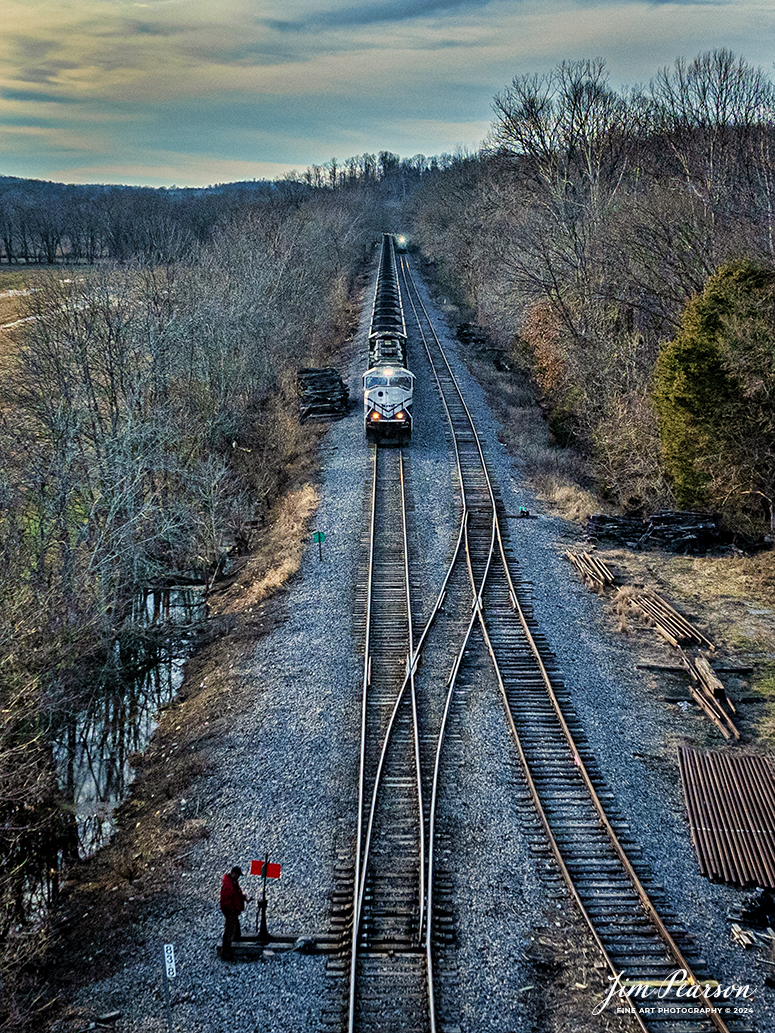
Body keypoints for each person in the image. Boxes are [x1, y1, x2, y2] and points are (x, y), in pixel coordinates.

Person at [219, 866, 248, 960]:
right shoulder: (228, 885)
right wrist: (232, 909)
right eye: (238, 874)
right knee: (229, 931)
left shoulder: (233, 883)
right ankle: (225, 953)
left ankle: (236, 939)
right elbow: (225, 900)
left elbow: (237, 894)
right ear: (233, 873)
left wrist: (244, 898)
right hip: (230, 910)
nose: (238, 877)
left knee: (235, 927)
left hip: (233, 910)